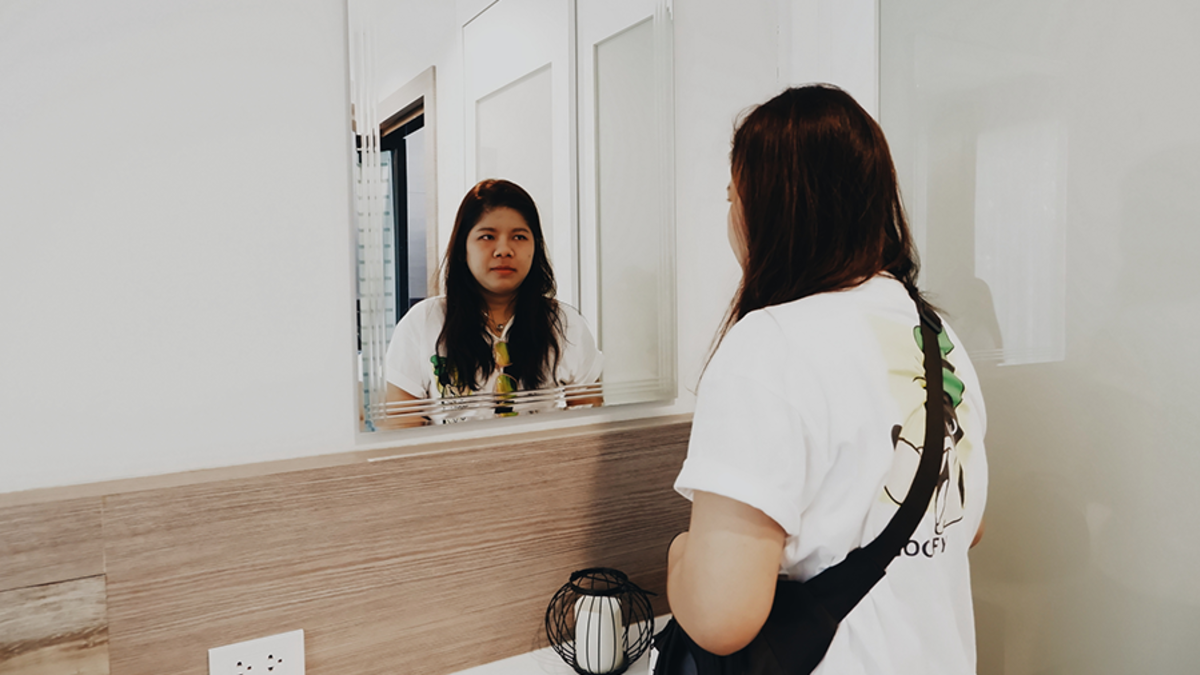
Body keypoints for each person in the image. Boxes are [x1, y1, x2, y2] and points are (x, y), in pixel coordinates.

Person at [665, 85, 988, 673]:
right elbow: (968, 524)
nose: (732, 215)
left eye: (734, 195)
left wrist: (681, 554)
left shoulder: (768, 345)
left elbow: (720, 619)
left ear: (770, 208)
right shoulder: (935, 335)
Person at [382, 179, 603, 426]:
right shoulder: (423, 322)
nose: (503, 250)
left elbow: (590, 423)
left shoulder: (565, 324)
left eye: (519, 237)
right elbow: (401, 429)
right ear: (462, 249)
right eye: (487, 236)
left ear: (535, 248)